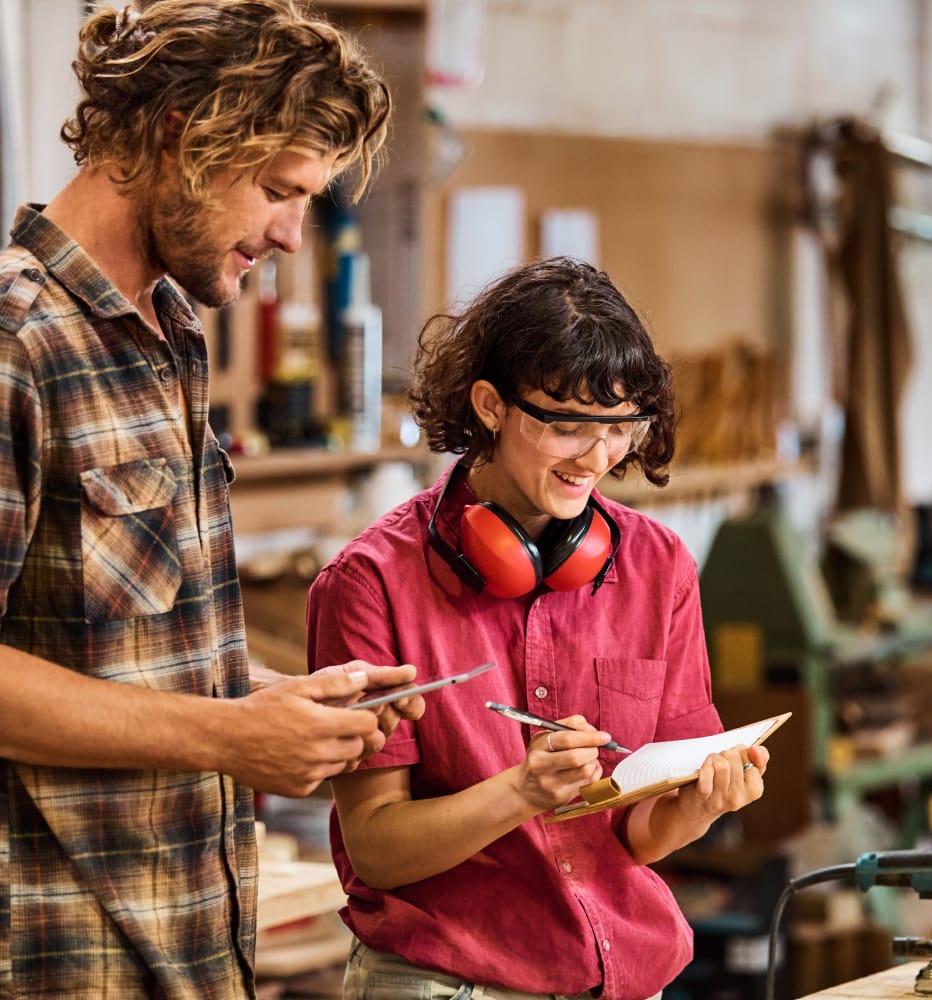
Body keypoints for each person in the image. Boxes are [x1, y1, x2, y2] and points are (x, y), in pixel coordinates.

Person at [0, 2, 425, 996]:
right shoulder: (18, 345)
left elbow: (120, 651)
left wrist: (271, 697)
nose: (288, 234)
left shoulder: (172, 336)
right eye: (278, 191)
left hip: (189, 934)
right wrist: (230, 736)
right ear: (179, 136)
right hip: (55, 951)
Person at [306, 256, 771, 1000]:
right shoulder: (372, 585)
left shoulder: (658, 565)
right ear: (490, 405)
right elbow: (377, 849)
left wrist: (698, 806)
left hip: (624, 978)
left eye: (620, 428)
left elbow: (637, 836)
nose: (598, 458)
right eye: (568, 426)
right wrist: (521, 791)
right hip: (446, 984)